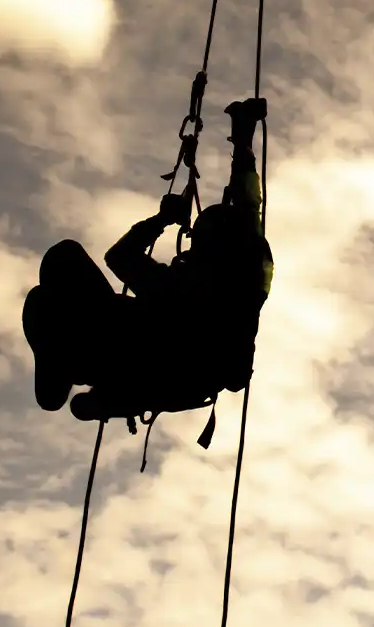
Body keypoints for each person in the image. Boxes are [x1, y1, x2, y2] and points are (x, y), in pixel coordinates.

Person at [23, 97, 274, 423]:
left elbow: (119, 258)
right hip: (144, 369)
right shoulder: (243, 274)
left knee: (59, 267)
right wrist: (243, 139)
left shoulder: (182, 291)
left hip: (118, 351)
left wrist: (163, 219)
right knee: (58, 278)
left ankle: (67, 370)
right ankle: (72, 378)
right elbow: (246, 202)